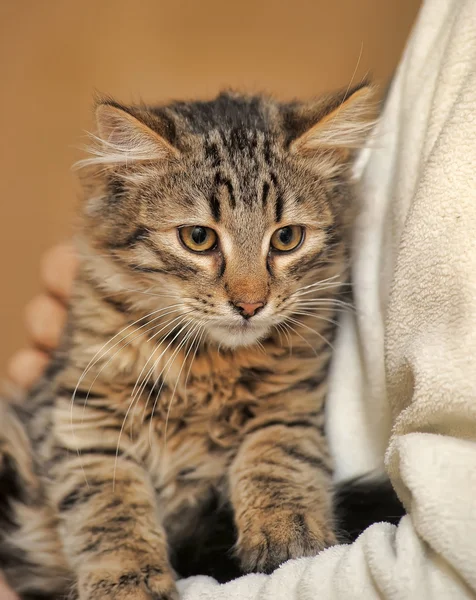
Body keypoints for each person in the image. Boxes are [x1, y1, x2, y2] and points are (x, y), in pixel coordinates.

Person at [4, 0, 476, 597]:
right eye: (200, 238)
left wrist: (274, 473)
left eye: (286, 238)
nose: (249, 293)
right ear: (124, 194)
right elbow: (86, 432)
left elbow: (285, 416)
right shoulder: (109, 321)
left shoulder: (300, 328)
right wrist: (120, 557)